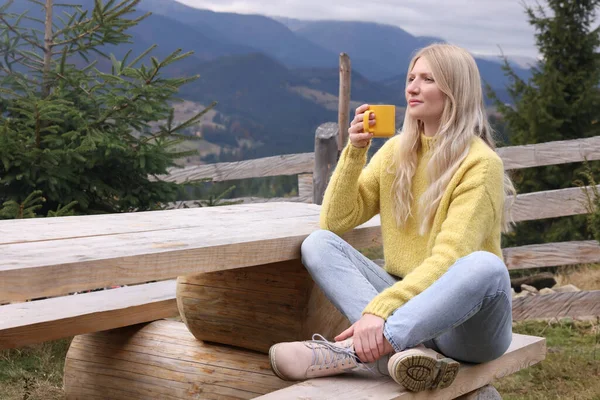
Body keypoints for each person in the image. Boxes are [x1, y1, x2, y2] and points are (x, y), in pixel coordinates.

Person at [268, 43, 516, 392]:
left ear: (455, 90)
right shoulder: (395, 152)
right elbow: (336, 221)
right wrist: (355, 150)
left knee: (484, 266)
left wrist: (379, 312)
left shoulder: (480, 164)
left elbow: (448, 259)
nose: (412, 87)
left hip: (468, 329)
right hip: (409, 309)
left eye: (427, 79)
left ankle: (355, 352)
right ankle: (404, 353)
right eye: (411, 77)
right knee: (319, 243)